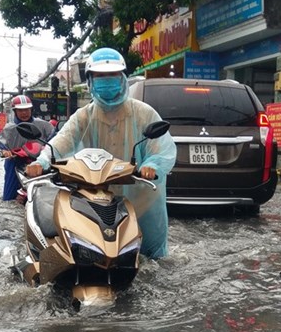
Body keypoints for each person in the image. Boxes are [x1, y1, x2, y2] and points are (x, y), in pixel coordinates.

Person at [25, 47, 176, 259]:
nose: (107, 81)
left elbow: (162, 148)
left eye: (112, 75)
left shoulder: (144, 113)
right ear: (90, 81)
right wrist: (42, 161)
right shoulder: (84, 116)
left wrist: (152, 165)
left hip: (141, 198)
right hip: (95, 195)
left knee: (152, 262)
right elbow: (61, 141)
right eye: (100, 76)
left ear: (123, 78)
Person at [1, 94, 55, 201]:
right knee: (8, 198)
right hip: (16, 161)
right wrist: (6, 152)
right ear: (15, 111)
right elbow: (3, 145)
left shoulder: (44, 125)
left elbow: (54, 140)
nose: (24, 113)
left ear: (31, 109)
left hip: (40, 161)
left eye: (27, 109)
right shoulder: (9, 128)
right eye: (20, 110)